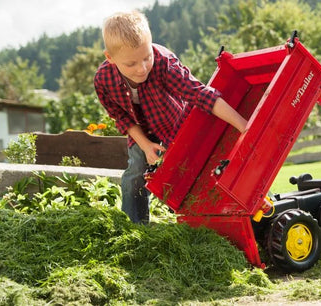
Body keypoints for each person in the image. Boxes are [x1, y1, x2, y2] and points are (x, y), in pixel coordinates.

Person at [94, 10, 247, 224]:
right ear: (110, 58)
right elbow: (122, 118)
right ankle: (135, 229)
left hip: (175, 125)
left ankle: (205, 221)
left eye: (147, 57)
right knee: (135, 175)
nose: (142, 68)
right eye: (131, 64)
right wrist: (146, 146)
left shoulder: (164, 63)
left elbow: (200, 94)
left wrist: (244, 126)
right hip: (141, 134)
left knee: (190, 173)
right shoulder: (103, 81)